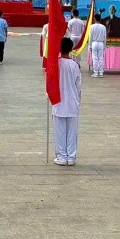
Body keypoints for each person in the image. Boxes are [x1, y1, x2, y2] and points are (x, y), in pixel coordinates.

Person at [51, 37, 82, 166]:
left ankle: (62, 156)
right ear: (71, 49)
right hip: (72, 102)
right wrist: (78, 101)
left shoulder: (55, 64)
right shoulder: (75, 65)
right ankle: (71, 157)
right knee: (72, 133)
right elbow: (78, 86)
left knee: (60, 132)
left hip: (59, 102)